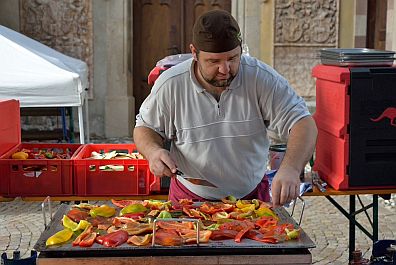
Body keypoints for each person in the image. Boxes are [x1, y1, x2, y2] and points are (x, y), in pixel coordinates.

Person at [134, 9, 317, 207]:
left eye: (232, 58)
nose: (225, 70)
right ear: (194, 53)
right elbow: (145, 128)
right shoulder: (171, 84)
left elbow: (304, 123)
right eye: (214, 61)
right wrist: (153, 151)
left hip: (251, 196)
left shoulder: (261, 78)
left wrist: (290, 168)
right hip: (189, 197)